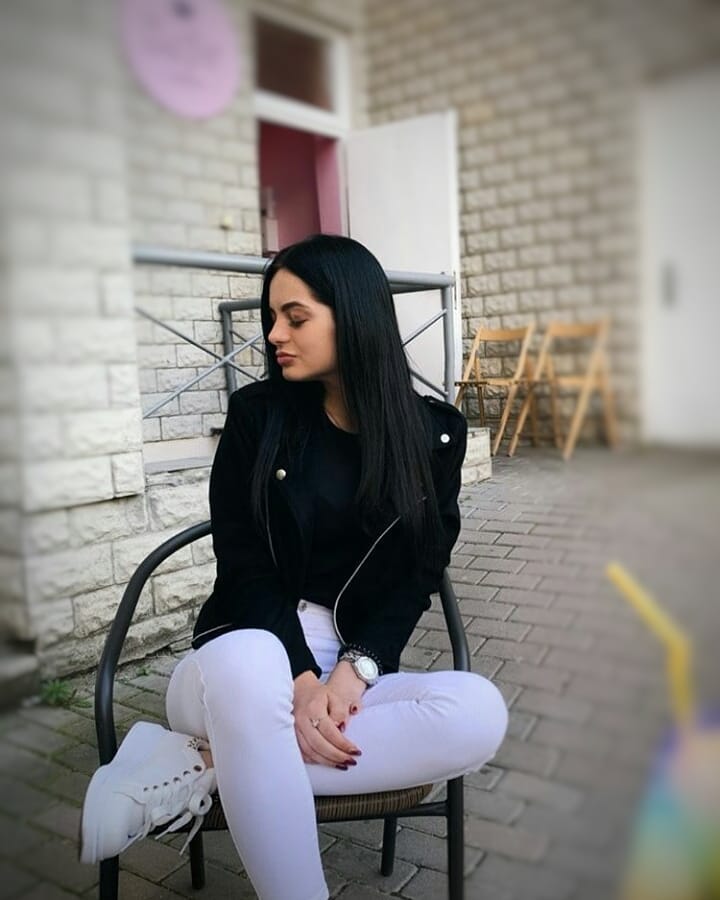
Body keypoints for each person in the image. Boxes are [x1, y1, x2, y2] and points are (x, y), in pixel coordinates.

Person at [79, 234, 508, 899]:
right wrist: (303, 681)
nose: (274, 334)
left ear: (355, 316)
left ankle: (203, 764)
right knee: (254, 665)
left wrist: (355, 670)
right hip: (235, 661)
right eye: (271, 316)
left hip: (348, 675)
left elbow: (417, 574)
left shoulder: (434, 435)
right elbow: (243, 566)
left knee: (479, 712)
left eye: (296, 317)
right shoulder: (259, 418)